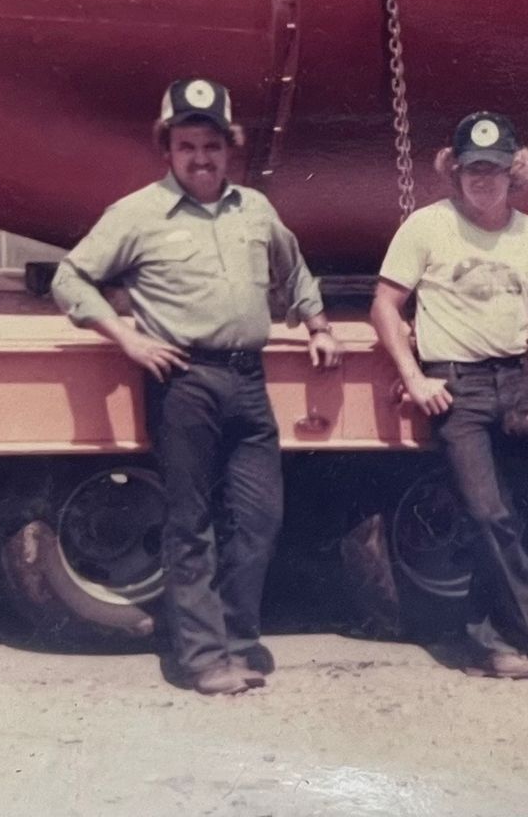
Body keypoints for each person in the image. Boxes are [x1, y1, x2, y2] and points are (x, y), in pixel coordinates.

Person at [51, 77, 341, 696]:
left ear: (228, 147)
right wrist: (126, 338)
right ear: (168, 149)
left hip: (248, 380)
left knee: (260, 519)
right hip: (184, 383)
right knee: (192, 523)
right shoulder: (136, 214)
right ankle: (203, 656)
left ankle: (238, 639)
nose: (200, 158)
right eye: (187, 146)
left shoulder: (255, 210)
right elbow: (70, 279)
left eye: (211, 144)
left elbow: (293, 268)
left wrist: (317, 325)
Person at [369, 111, 528, 679]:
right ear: (454, 171)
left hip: (514, 383)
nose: (484, 179)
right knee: (486, 514)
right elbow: (385, 305)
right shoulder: (426, 228)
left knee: (517, 515)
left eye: (496, 168)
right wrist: (414, 376)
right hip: (456, 390)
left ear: (517, 172)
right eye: (472, 168)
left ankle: (493, 639)